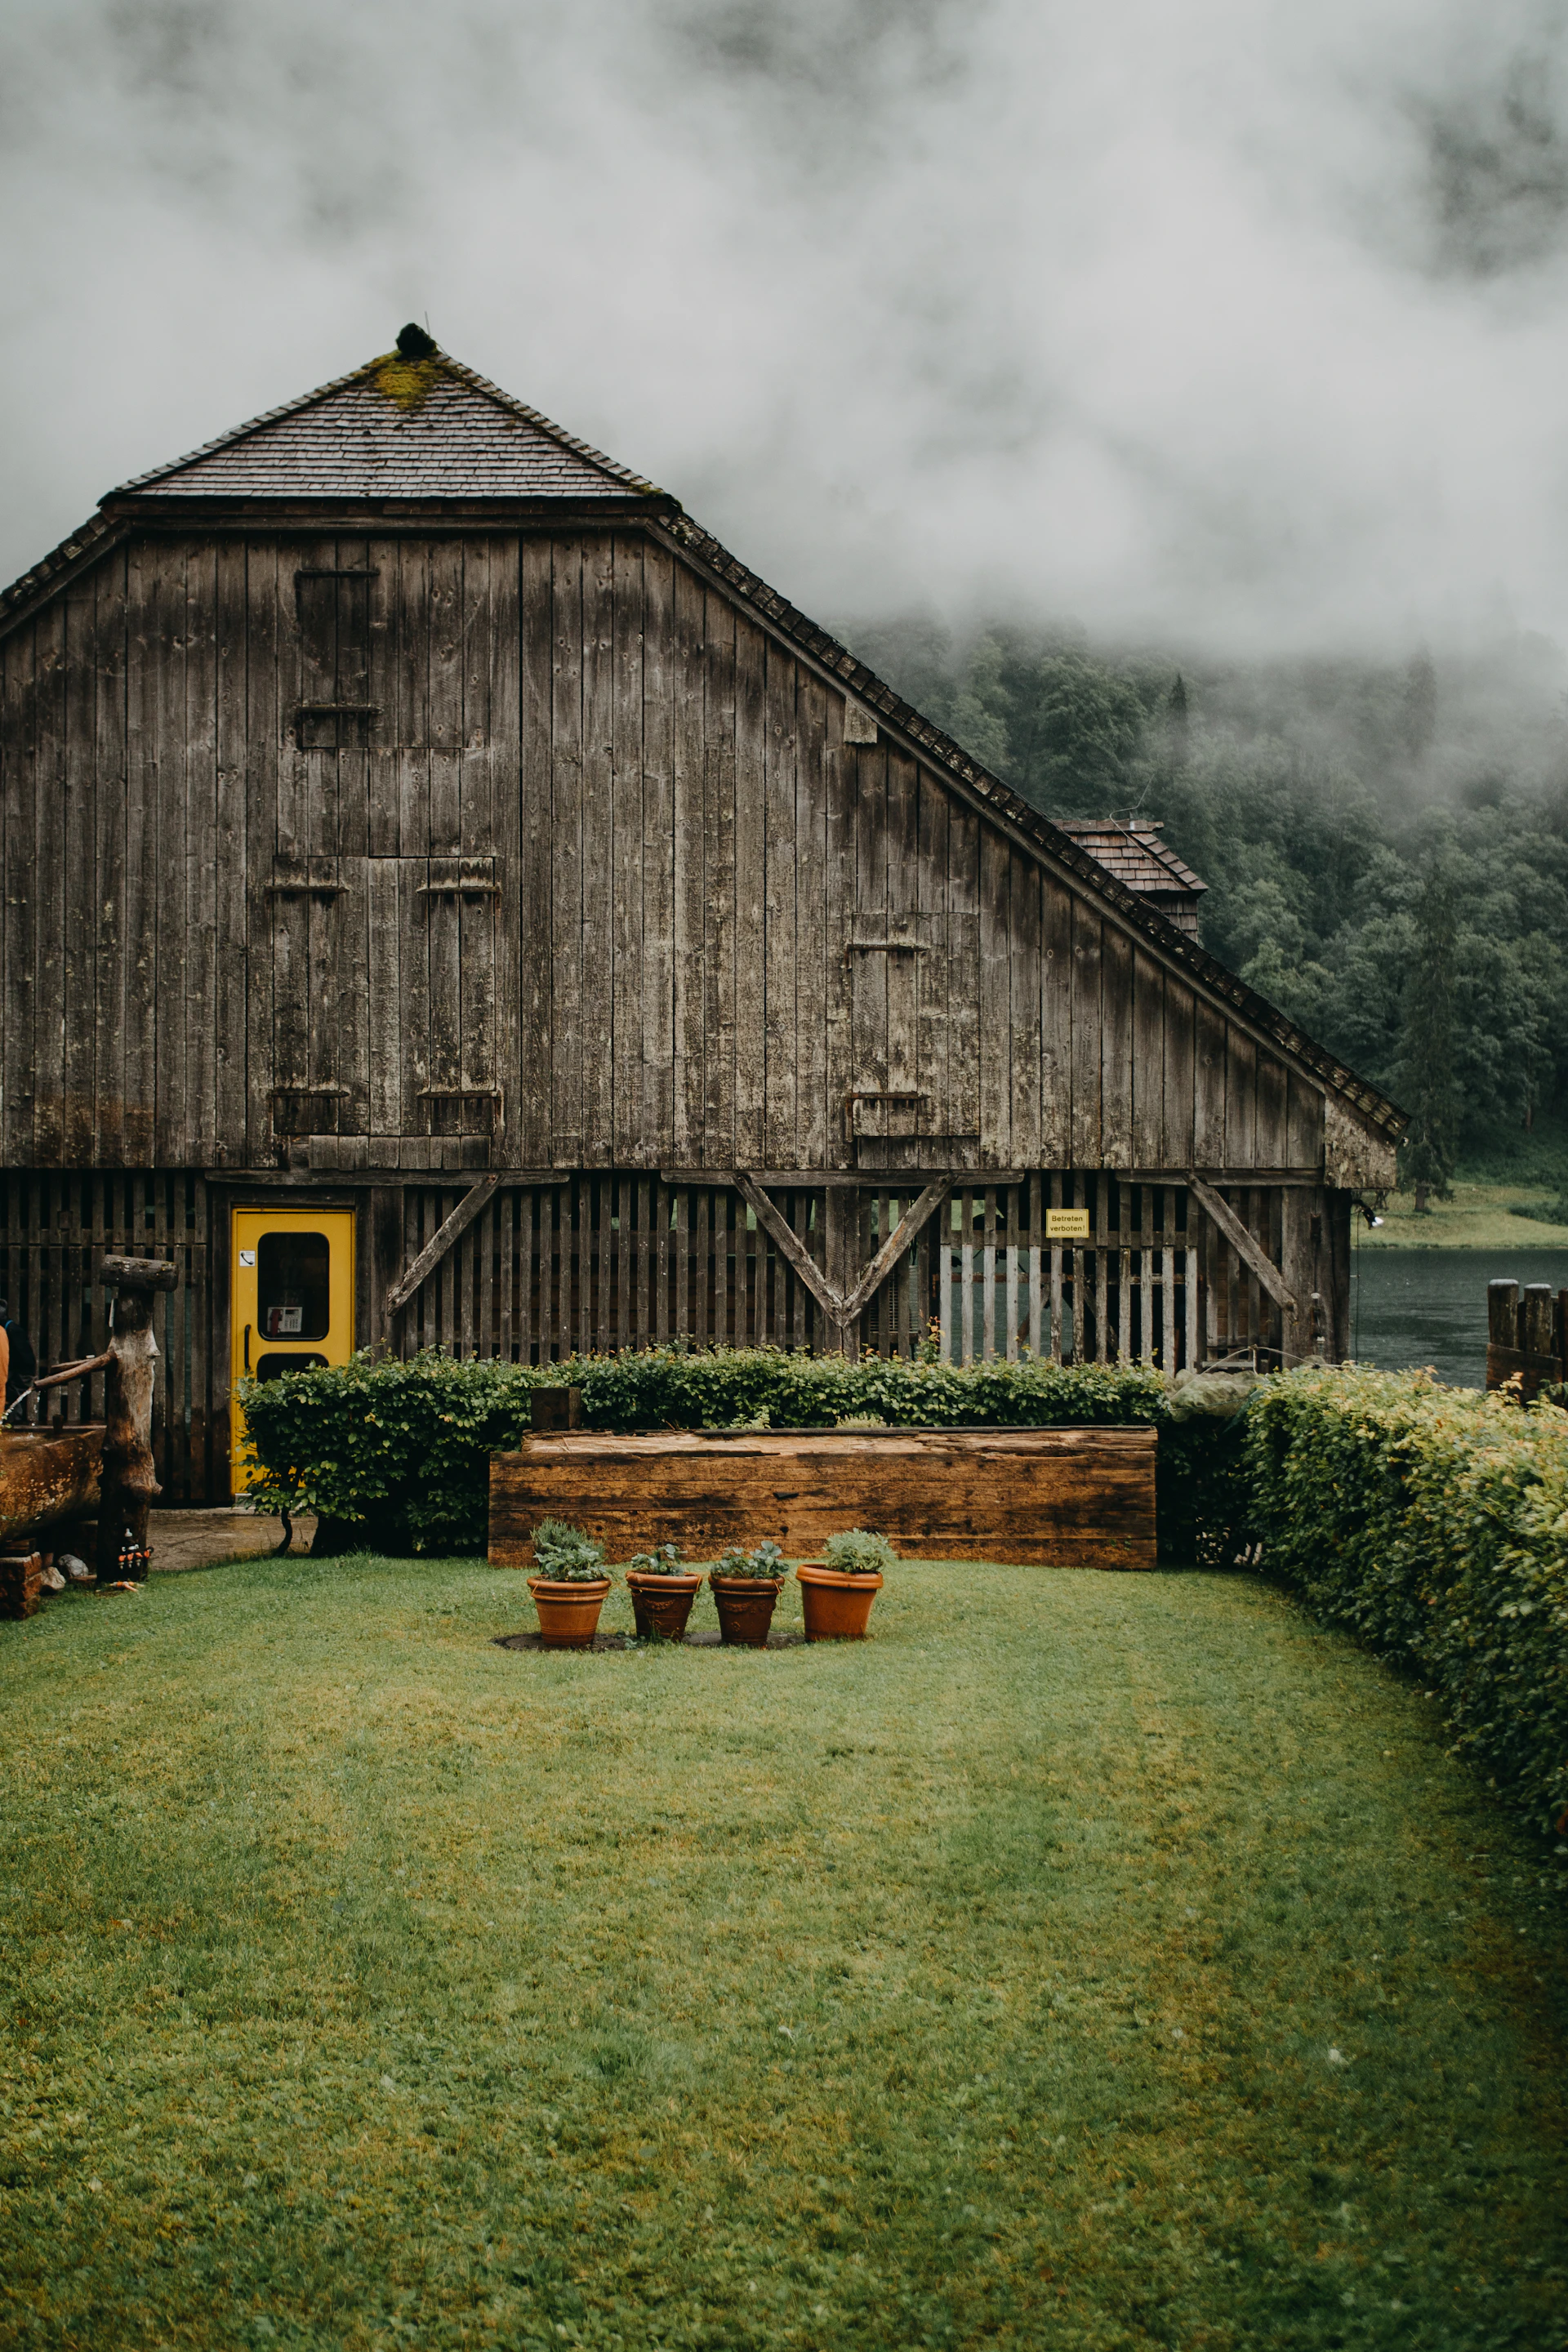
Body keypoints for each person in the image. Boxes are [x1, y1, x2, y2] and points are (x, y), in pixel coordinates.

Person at [0, 1299, 36, 1411]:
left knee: (13, 1407)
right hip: (11, 1375)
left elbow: (26, 1362)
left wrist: (13, 1386)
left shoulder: (12, 1331)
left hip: (18, 1377)